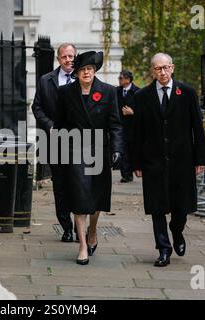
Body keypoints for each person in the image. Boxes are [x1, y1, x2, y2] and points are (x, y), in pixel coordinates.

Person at [132, 53, 205, 267]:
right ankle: (163, 249)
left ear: (172, 68)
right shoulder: (142, 96)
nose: (162, 72)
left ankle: (177, 230)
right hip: (153, 161)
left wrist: (200, 158)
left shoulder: (187, 93)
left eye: (165, 67)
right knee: (157, 207)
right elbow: (137, 132)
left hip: (182, 160)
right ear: (152, 71)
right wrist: (136, 162)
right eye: (158, 69)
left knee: (180, 207)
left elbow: (197, 128)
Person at [54, 51, 125, 265]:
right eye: (83, 70)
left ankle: (92, 231)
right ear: (77, 73)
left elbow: (116, 124)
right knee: (79, 196)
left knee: (96, 198)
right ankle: (83, 245)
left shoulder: (109, 91)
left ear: (95, 71)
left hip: (99, 150)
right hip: (75, 149)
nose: (87, 73)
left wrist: (117, 149)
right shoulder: (66, 92)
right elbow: (60, 123)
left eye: (90, 70)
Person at [32, 43, 77, 242]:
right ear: (58, 59)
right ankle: (66, 227)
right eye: (64, 57)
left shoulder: (84, 78)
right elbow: (37, 107)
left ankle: (80, 227)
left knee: (79, 185)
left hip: (79, 143)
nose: (68, 60)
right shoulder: (46, 80)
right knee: (60, 187)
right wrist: (50, 126)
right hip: (55, 143)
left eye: (71, 56)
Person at [117, 70, 139, 183]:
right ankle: (126, 175)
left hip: (133, 127)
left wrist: (133, 112)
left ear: (128, 80)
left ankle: (136, 170)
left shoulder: (138, 92)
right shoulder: (117, 91)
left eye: (121, 78)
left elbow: (144, 111)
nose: (119, 80)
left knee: (133, 150)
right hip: (121, 127)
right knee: (123, 151)